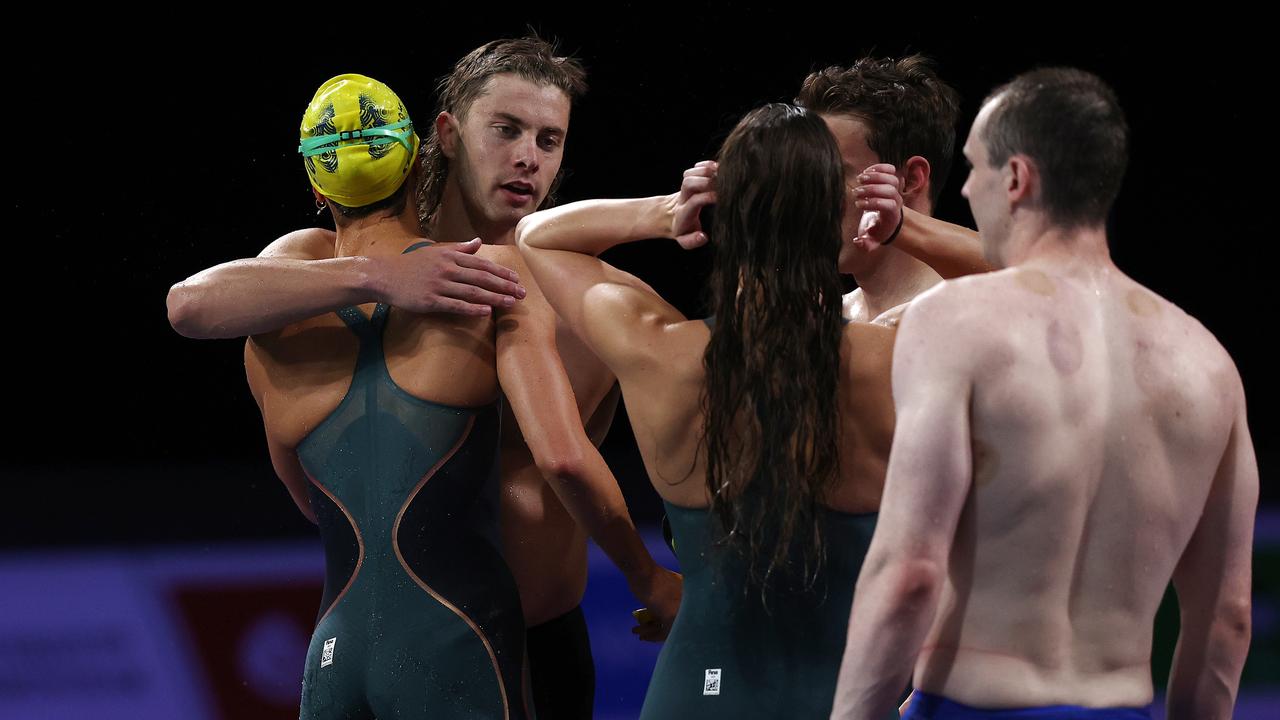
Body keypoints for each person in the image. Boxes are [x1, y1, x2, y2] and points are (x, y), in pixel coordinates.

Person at [166, 38, 680, 718]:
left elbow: (699, 416)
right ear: (442, 136)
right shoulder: (315, 267)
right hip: (456, 637)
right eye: (506, 130)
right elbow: (191, 302)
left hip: (533, 642)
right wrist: (383, 276)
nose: (529, 155)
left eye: (549, 139)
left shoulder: (587, 293)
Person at [829, 68, 1257, 720]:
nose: (965, 187)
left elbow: (908, 575)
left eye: (973, 168)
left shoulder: (953, 321)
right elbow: (1226, 619)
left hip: (974, 705)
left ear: (1017, 179)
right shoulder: (1209, 364)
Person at [517, 104, 906, 719]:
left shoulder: (657, 349)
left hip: (695, 692)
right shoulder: (897, 354)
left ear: (726, 213)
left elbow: (536, 236)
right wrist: (905, 227)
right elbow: (1019, 282)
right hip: (846, 699)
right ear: (839, 213)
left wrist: (664, 210)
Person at [796, 55, 988, 327]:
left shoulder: (974, 312)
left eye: (831, 174)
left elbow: (1038, 276)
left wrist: (900, 225)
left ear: (909, 179)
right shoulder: (824, 318)